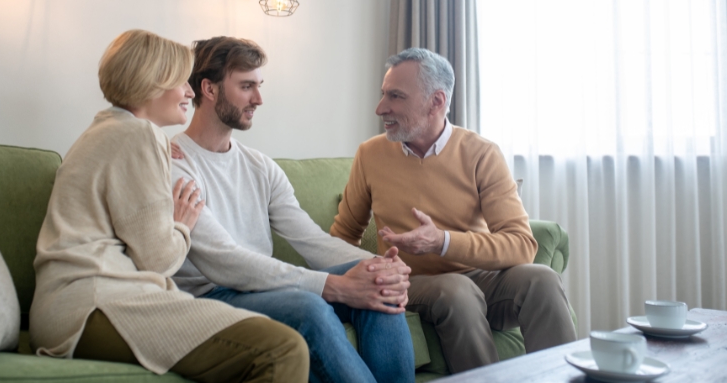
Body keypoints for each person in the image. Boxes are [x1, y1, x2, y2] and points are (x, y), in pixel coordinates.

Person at [29, 29, 308, 383]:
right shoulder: (137, 135)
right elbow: (158, 260)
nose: (190, 92)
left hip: (68, 306)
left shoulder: (111, 130)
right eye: (181, 82)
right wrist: (181, 224)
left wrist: (157, 151)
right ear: (152, 83)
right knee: (282, 348)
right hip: (92, 305)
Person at [168, 36, 416, 383]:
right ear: (208, 89)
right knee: (310, 307)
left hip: (263, 289)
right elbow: (224, 260)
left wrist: (383, 265)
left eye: (259, 86)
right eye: (246, 86)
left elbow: (310, 239)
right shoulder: (175, 164)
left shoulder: (260, 167)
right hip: (211, 297)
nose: (259, 99)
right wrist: (333, 286)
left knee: (378, 278)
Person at [330, 47, 577, 373]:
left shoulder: (480, 153)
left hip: (480, 277)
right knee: (457, 290)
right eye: (383, 94)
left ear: (436, 102)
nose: (381, 108)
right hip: (413, 281)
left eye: (396, 96)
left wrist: (442, 241)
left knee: (541, 279)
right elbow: (344, 235)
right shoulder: (371, 154)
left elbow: (522, 245)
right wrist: (349, 280)